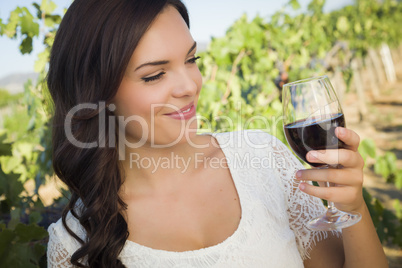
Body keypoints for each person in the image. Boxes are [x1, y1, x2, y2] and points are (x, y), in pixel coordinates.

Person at [46, 0, 388, 267]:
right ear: (98, 96)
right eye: (154, 75)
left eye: (191, 59)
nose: (190, 85)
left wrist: (353, 205)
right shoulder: (74, 243)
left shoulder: (263, 159)